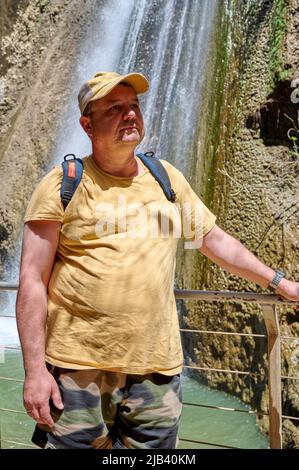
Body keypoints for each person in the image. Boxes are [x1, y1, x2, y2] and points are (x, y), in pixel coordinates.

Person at [16, 71, 299, 450]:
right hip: (76, 368)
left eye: (134, 106)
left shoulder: (166, 179)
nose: (129, 114)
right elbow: (32, 280)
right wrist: (35, 371)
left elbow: (214, 242)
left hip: (156, 370)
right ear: (87, 124)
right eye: (115, 108)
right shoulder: (63, 184)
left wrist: (279, 282)